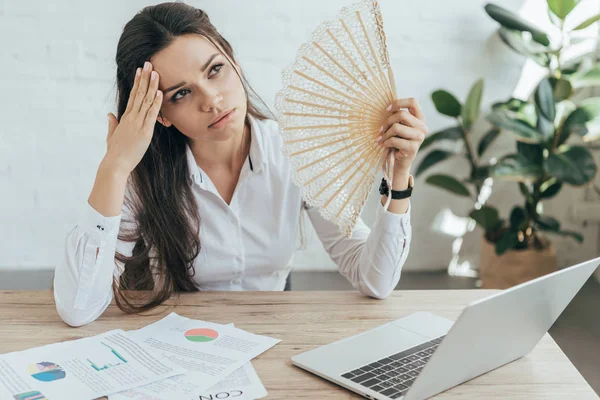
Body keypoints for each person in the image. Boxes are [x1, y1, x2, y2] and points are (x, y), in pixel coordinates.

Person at [53, 2, 428, 327]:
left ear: (232, 57)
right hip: (178, 345)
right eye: (182, 93)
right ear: (159, 114)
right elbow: (77, 308)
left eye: (214, 69)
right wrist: (114, 167)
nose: (212, 100)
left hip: (275, 340)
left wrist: (398, 178)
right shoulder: (143, 177)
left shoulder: (294, 150)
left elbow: (374, 280)